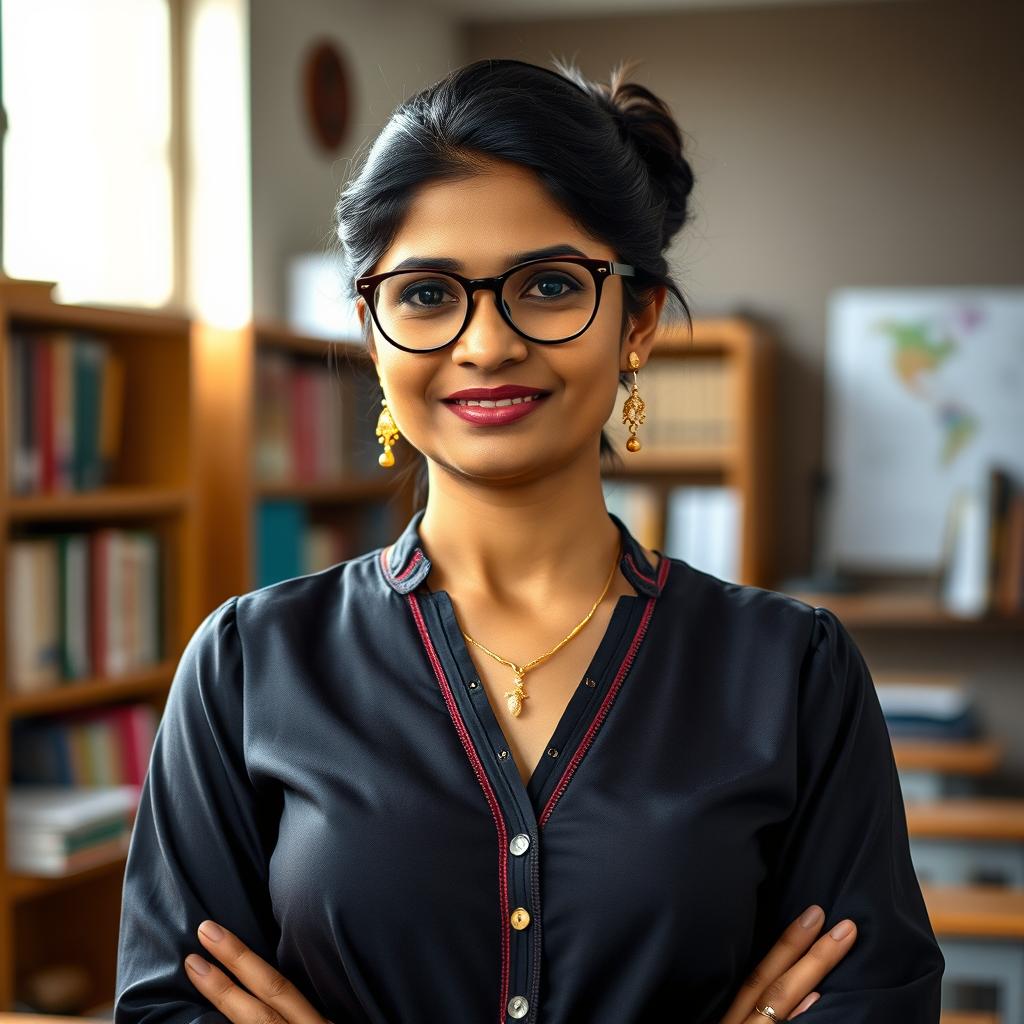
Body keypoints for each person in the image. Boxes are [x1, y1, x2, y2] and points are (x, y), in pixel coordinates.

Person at [113, 57, 944, 1024]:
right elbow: (172, 1008)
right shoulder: (248, 667)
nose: (486, 344)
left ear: (636, 319)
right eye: (426, 294)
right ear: (372, 333)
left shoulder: (794, 671)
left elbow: (872, 1004)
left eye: (547, 285)